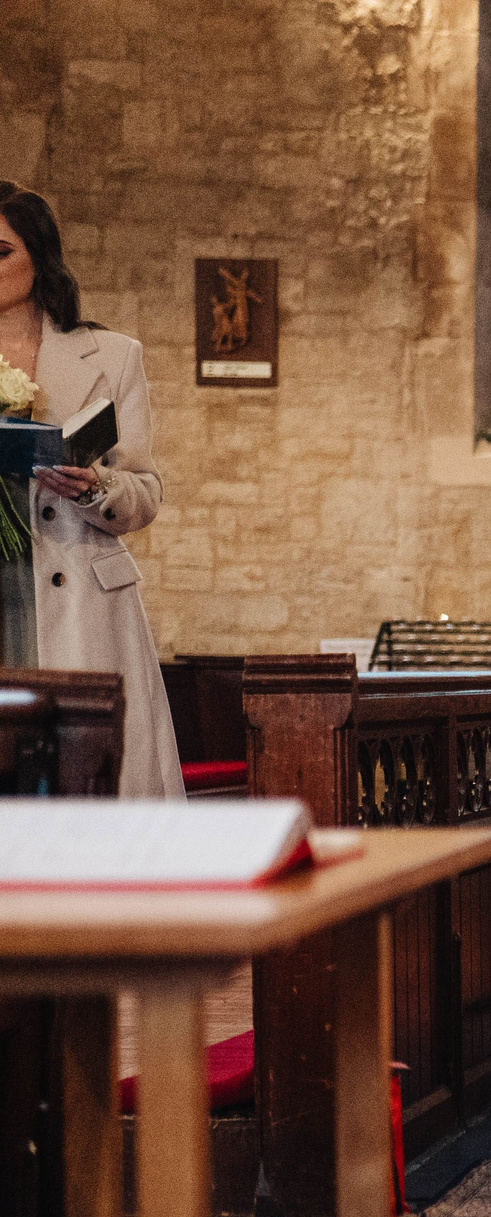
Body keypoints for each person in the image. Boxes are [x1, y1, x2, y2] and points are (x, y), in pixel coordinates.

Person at [0, 181, 182, 797]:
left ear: (39, 256)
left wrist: (93, 486)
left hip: (76, 587)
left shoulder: (111, 356)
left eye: (0, 251)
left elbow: (145, 491)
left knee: (89, 783)